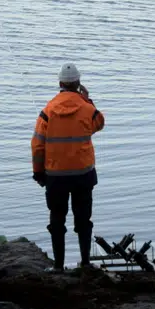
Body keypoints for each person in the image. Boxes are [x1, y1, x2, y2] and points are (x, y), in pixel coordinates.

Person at [31, 63, 105, 271]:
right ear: (78, 83)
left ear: (60, 83)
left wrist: (38, 172)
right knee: (83, 219)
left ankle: (58, 266)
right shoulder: (87, 108)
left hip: (55, 176)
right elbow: (99, 123)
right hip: (83, 174)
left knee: (57, 219)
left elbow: (37, 145)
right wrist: (87, 99)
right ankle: (85, 262)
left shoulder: (48, 110)